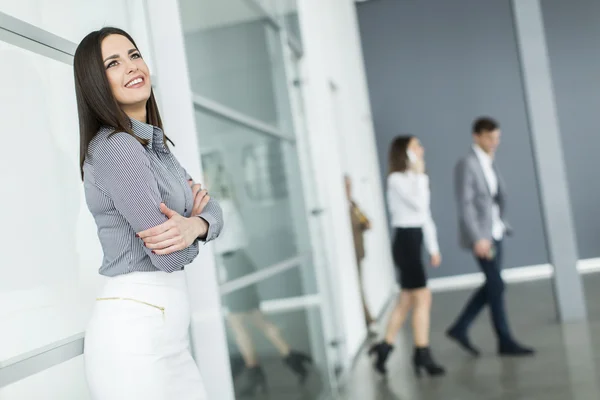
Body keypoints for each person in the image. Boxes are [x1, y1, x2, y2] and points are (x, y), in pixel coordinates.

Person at [75, 27, 223, 399]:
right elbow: (170, 258)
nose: (131, 66)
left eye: (134, 55)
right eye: (113, 63)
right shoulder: (118, 148)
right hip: (134, 338)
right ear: (96, 83)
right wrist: (193, 231)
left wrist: (196, 225)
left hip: (164, 335)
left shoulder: (155, 146)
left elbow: (213, 208)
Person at [209, 166, 312, 395]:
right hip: (239, 263)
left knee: (237, 322)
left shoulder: (220, 208)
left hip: (234, 264)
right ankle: (291, 359)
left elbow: (211, 237)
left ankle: (255, 372)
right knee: (257, 318)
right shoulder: (228, 203)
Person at [446, 117, 535, 357]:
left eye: (497, 137)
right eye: (489, 137)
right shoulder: (468, 163)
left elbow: (494, 198)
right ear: (476, 136)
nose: (494, 142)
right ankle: (502, 340)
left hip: (496, 232)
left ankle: (461, 328)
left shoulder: (488, 162)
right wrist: (478, 238)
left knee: (494, 286)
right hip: (483, 237)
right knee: (496, 284)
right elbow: (465, 205)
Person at [369, 135, 445, 377]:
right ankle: (422, 353)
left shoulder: (416, 179)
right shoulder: (397, 180)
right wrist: (420, 175)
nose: (421, 149)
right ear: (405, 152)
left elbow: (426, 217)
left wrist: (433, 248)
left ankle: (384, 348)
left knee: (406, 300)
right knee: (423, 297)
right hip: (405, 241)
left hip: (417, 238)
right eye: (415, 146)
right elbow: (418, 205)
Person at [344, 175, 376, 332]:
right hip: (349, 254)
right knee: (357, 286)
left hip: (358, 251)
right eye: (346, 186)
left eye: (350, 185)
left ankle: (367, 318)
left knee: (360, 284)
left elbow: (363, 220)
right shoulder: (341, 208)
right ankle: (367, 319)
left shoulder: (353, 204)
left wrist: (366, 224)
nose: (349, 189)